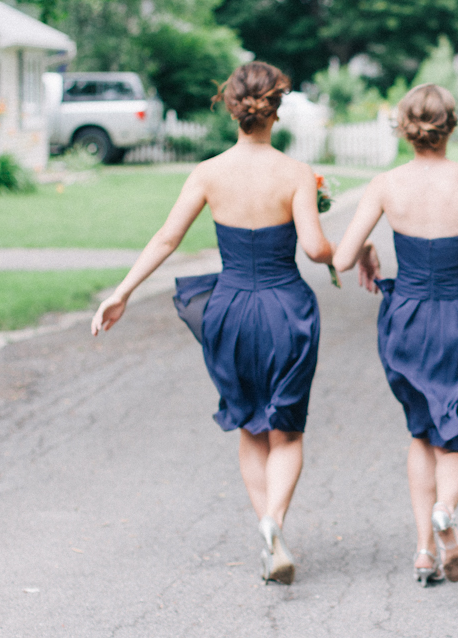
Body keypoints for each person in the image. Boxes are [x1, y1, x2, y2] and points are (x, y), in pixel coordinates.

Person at [91, 62, 334, 585]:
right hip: (284, 308)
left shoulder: (208, 172)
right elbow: (315, 249)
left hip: (228, 310)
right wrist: (330, 237)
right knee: (286, 433)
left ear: (232, 109)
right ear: (276, 109)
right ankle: (274, 522)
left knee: (250, 423)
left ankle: (270, 534)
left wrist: (121, 292)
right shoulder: (295, 174)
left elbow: (166, 239)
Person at [332, 84, 458, 586]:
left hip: (409, 320)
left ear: (404, 128)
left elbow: (338, 257)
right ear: (452, 126)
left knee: (421, 432)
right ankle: (445, 511)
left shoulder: (384, 185)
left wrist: (369, 248)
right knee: (455, 435)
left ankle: (424, 551)